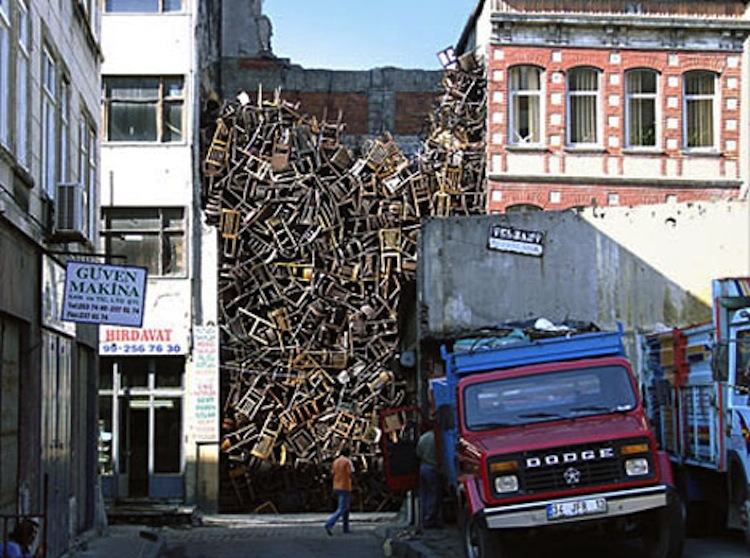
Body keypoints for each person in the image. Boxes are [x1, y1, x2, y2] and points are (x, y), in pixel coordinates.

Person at [324, 447, 354, 536]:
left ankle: (346, 528)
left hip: (336, 486)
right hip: (345, 486)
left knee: (346, 508)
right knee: (342, 508)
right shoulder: (347, 461)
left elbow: (332, 472)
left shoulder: (336, 461)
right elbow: (351, 472)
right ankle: (329, 524)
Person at [416, 426, 441, 529]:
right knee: (433, 494)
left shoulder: (422, 438)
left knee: (424, 494)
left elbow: (418, 453)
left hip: (423, 467)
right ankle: (430, 519)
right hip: (432, 468)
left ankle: (423, 518)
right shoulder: (437, 439)